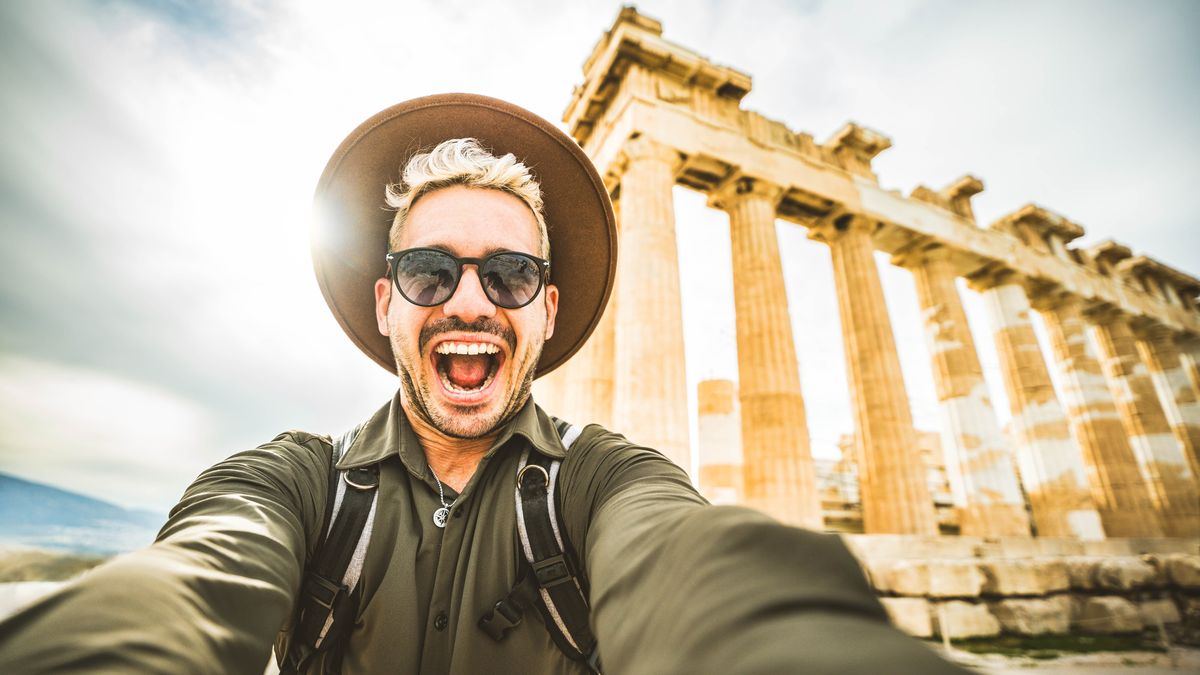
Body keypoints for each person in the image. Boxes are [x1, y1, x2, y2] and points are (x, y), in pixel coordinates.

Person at [0, 94, 970, 674]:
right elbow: (191, 584)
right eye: (431, 272)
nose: (470, 300)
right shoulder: (291, 483)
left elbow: (706, 576)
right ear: (387, 304)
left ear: (546, 311)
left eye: (509, 274)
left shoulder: (607, 487)